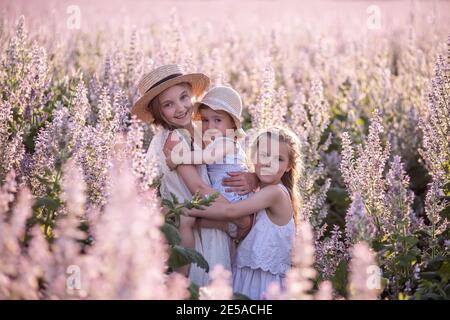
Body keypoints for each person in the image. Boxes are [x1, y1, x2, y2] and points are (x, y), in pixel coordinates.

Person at [183, 127, 302, 299]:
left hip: (264, 284)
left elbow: (231, 211)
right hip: (246, 275)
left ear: (289, 166)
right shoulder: (260, 192)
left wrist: (186, 209)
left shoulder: (275, 193)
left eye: (279, 159)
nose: (270, 163)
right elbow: (239, 228)